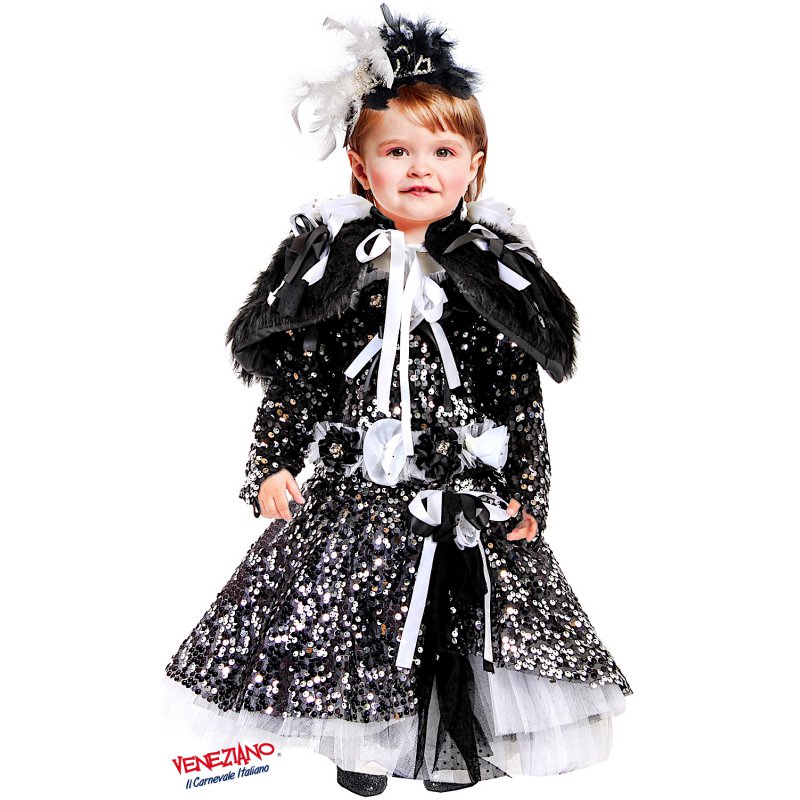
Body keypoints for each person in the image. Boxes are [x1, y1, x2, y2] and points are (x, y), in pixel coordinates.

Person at [163, 4, 633, 795]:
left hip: (460, 491)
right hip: (358, 495)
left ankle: (448, 745)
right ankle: (361, 744)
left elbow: (518, 399)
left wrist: (530, 491)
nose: (421, 168)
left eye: (442, 151)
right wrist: (273, 464)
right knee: (356, 614)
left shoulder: (488, 277)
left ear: (474, 165)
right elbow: (297, 383)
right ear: (361, 166)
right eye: (397, 151)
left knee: (457, 614)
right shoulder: (337, 276)